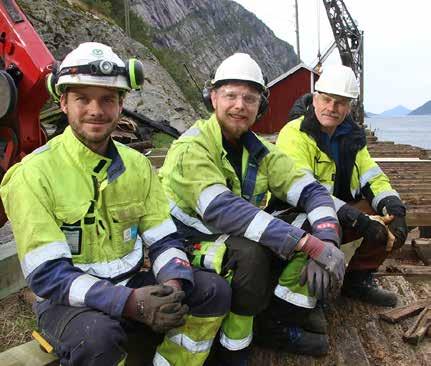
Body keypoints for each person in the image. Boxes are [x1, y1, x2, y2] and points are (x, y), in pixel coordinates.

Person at [0, 42, 231, 366]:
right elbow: (49, 275)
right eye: (83, 98)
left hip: (133, 284)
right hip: (67, 300)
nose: (96, 109)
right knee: (97, 338)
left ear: (121, 104)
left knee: (213, 291)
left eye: (108, 98)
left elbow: (164, 237)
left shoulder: (138, 166)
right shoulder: (32, 175)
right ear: (63, 102)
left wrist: (173, 285)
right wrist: (130, 302)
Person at [159, 53, 348, 363]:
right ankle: (234, 350)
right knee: (252, 255)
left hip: (230, 234)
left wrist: (326, 237)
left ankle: (280, 321)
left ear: (261, 105)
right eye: (231, 95)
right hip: (184, 241)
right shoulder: (191, 147)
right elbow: (220, 208)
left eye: (249, 98)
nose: (239, 105)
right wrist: (305, 243)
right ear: (214, 98)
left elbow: (311, 190)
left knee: (308, 222)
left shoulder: (260, 150)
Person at [264, 64, 407, 353]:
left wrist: (394, 208)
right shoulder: (294, 134)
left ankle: (357, 279)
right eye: (326, 99)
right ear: (315, 98)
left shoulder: (352, 136)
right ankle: (306, 303)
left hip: (339, 212)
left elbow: (371, 176)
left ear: (349, 107)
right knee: (322, 228)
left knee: (389, 217)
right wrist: (359, 218)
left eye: (340, 102)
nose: (332, 107)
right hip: (294, 213)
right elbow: (305, 192)